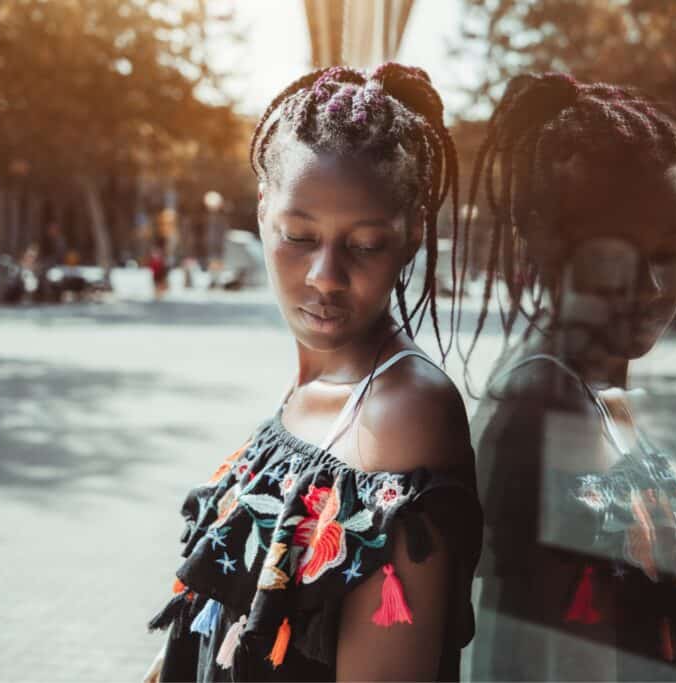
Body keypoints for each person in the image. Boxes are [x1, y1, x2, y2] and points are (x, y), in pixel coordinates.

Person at [143, 64, 482, 683]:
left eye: (366, 244)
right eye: (299, 235)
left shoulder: (402, 411)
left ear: (409, 240)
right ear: (263, 211)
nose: (326, 276)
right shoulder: (314, 383)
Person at [459, 73, 676, 681]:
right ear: (551, 248)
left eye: (667, 251)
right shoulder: (546, 409)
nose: (651, 287)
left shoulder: (591, 389)